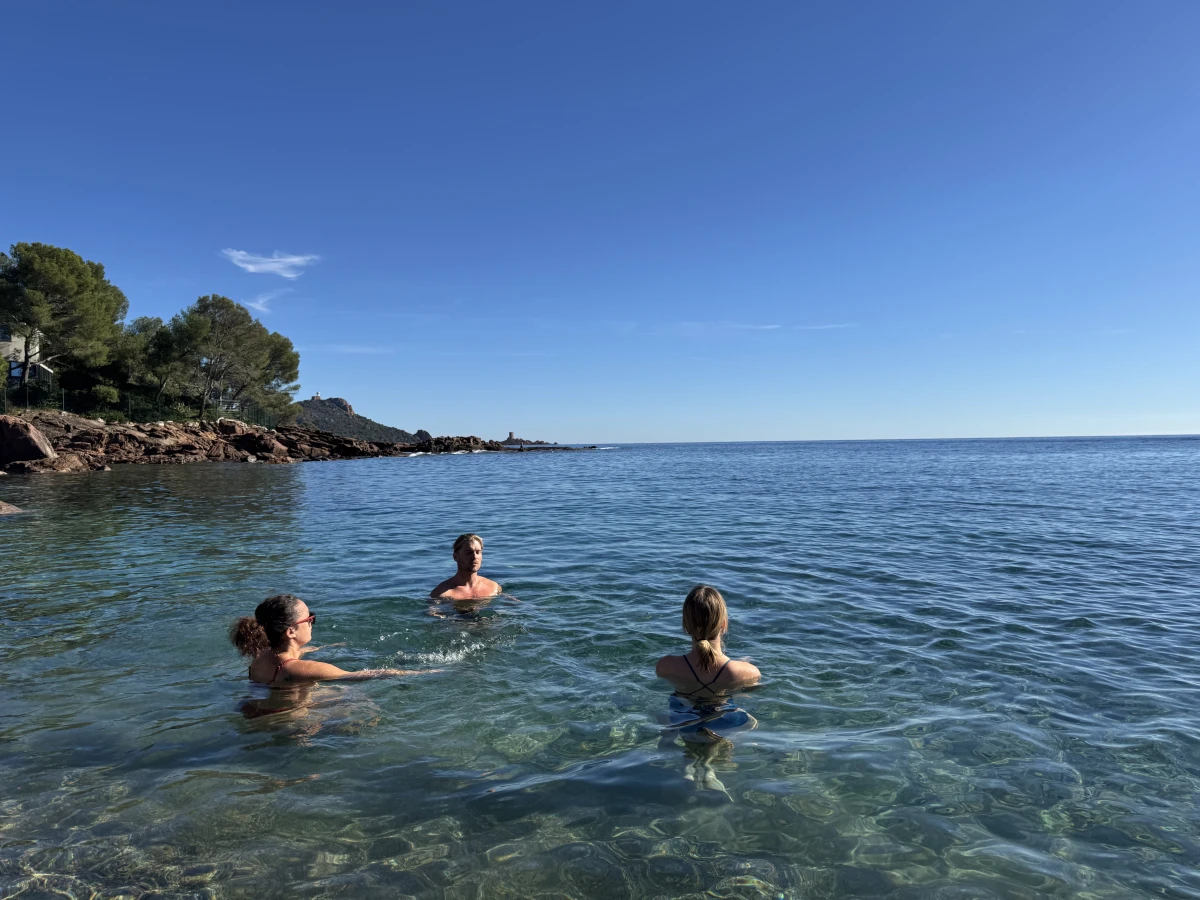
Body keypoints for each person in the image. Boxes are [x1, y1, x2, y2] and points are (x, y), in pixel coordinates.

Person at [231, 593, 435, 685]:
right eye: (310, 618)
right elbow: (361, 675)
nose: (312, 622)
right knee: (360, 704)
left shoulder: (262, 654)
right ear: (291, 631)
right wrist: (420, 673)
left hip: (263, 710)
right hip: (291, 727)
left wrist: (327, 647)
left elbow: (292, 654)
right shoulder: (296, 669)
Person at [430, 533, 502, 600]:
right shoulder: (441, 593)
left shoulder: (494, 588)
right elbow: (432, 611)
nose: (474, 557)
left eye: (478, 552)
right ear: (455, 557)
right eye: (469, 553)